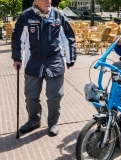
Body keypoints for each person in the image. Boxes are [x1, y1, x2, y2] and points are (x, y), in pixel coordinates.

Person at [11, 0, 76, 137]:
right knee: (30, 96)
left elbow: (69, 38)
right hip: (33, 61)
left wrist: (70, 60)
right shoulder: (26, 16)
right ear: (36, 1)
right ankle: (34, 120)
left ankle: (53, 123)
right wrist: (17, 58)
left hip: (54, 61)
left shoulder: (58, 16)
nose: (48, 2)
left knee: (55, 96)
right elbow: (17, 38)